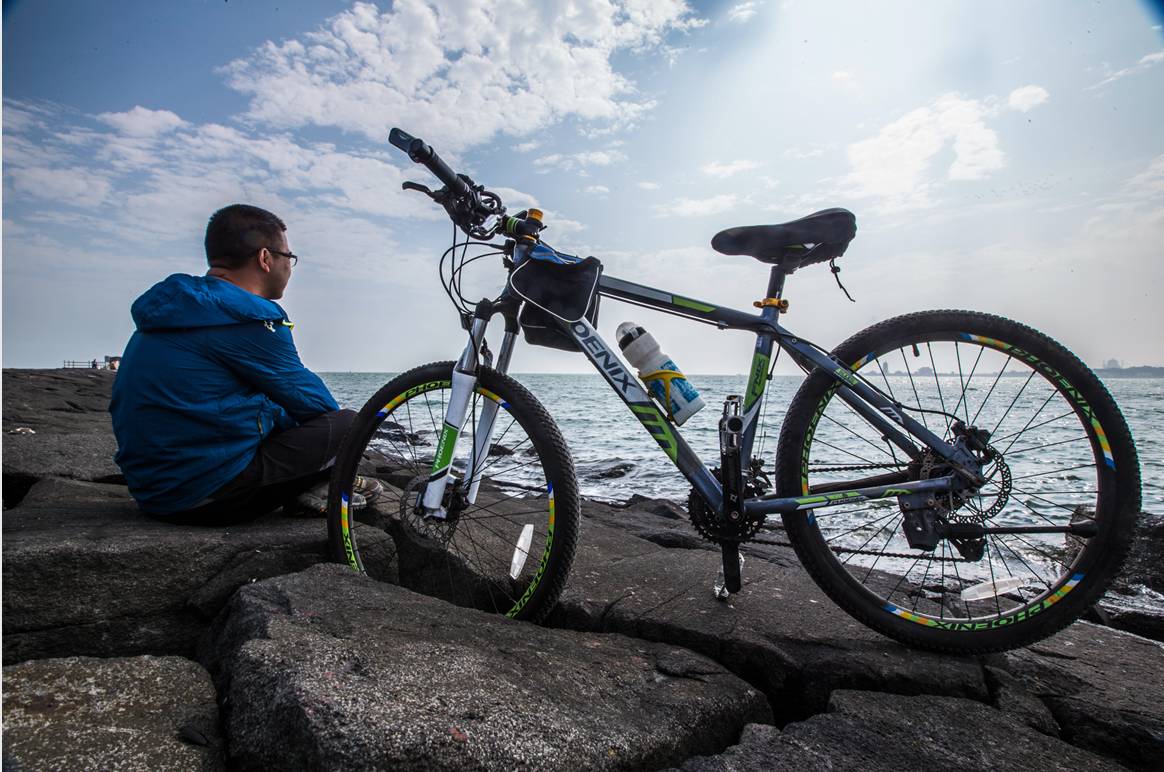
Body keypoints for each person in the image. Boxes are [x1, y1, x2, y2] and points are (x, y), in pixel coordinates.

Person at [110, 204, 379, 524]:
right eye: (289, 258)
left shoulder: (180, 308)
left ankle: (311, 486)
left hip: (152, 490)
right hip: (203, 497)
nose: (290, 267)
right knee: (349, 423)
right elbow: (315, 406)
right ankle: (313, 488)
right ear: (266, 258)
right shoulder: (250, 317)